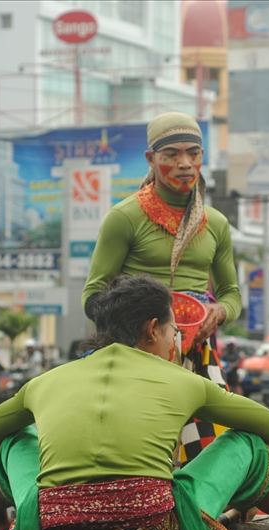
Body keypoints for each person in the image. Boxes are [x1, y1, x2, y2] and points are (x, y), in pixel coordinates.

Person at [0, 274, 269, 530]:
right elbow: (265, 424)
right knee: (248, 445)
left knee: (13, 439)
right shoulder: (185, 381)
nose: (176, 341)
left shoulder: (47, 380)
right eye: (174, 333)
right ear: (153, 329)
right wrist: (253, 486)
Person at [82, 112, 241, 465]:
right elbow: (92, 297)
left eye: (193, 153)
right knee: (136, 443)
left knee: (208, 446)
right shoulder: (124, 217)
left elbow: (232, 293)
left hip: (198, 354)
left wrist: (220, 311)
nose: (185, 164)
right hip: (137, 350)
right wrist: (138, 321)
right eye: (171, 155)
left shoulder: (216, 223)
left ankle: (198, 509)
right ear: (151, 159)